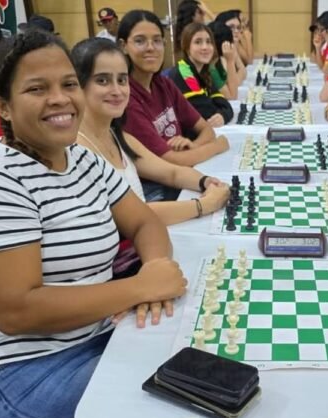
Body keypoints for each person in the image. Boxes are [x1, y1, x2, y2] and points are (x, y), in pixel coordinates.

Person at [0, 29, 187, 418]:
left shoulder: (80, 158)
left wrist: (154, 267)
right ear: (4, 107)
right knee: (175, 406)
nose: (60, 98)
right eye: (37, 88)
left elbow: (143, 220)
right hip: (18, 373)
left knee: (195, 361)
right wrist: (141, 288)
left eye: (69, 84)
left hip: (95, 335)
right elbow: (18, 311)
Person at [71, 37, 228, 277]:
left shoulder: (118, 135)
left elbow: (170, 172)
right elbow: (135, 216)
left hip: (148, 248)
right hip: (119, 269)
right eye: (102, 80)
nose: (117, 90)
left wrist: (206, 182)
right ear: (78, 86)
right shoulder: (78, 149)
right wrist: (204, 205)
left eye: (122, 80)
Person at [117, 10, 228, 201]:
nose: (150, 48)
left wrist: (193, 146)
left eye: (157, 40)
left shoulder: (163, 84)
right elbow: (171, 160)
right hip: (155, 189)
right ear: (123, 46)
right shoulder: (126, 97)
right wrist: (218, 145)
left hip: (183, 174)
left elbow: (206, 129)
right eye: (140, 41)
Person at [169, 23, 233, 127]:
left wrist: (222, 115)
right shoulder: (184, 72)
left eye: (208, 42)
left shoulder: (204, 71)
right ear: (187, 47)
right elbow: (206, 112)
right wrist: (222, 113)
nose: (205, 47)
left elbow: (225, 104)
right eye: (198, 42)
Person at [208, 20, 245, 100]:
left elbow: (238, 80)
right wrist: (230, 60)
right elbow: (232, 96)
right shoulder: (210, 67)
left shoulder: (218, 61)